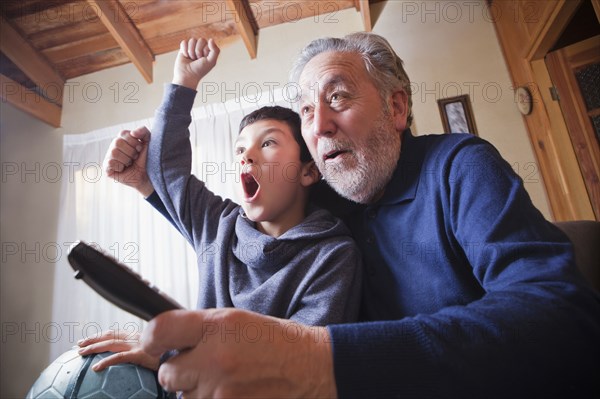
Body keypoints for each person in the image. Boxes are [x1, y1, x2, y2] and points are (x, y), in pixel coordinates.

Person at [105, 33, 600, 397]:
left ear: (397, 107)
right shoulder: (329, 195)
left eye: (337, 96)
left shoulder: (461, 166)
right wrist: (149, 185)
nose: (318, 125)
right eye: (304, 109)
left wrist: (317, 360)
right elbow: (242, 234)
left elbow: (562, 320)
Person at [77, 38, 362, 372]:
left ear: (308, 170)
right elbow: (165, 171)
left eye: (267, 143)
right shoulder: (219, 225)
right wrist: (184, 81)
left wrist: (169, 353)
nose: (247, 156)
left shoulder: (334, 255)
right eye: (240, 150)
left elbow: (298, 363)